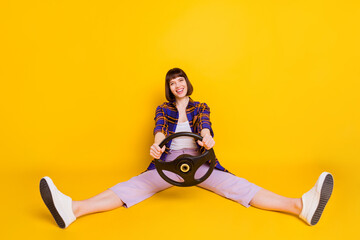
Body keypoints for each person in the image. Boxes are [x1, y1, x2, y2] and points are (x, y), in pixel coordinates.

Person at [39, 68, 334, 229]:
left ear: (187, 84)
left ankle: (300, 206)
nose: (177, 85)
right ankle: (73, 209)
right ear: (169, 89)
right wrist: (155, 149)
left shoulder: (200, 107)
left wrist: (208, 140)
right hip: (168, 166)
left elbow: (205, 126)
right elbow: (158, 132)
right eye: (172, 82)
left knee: (239, 187)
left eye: (180, 80)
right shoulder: (162, 109)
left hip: (201, 163)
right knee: (132, 187)